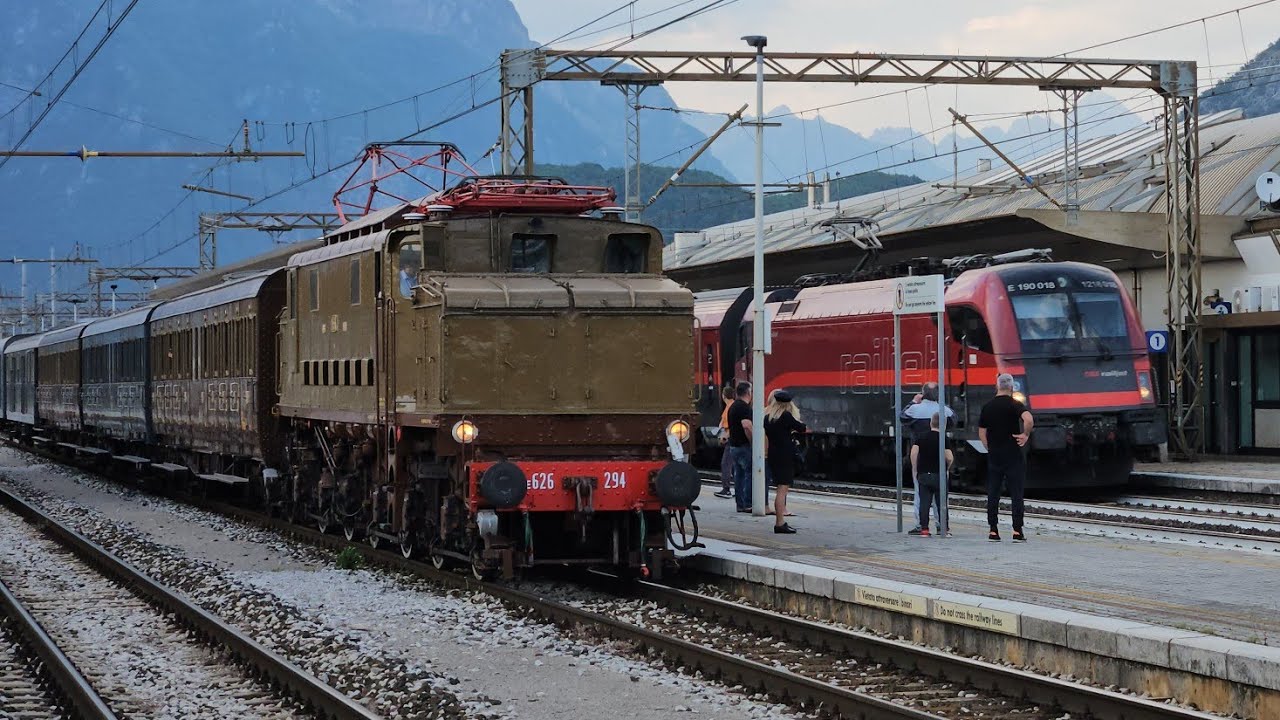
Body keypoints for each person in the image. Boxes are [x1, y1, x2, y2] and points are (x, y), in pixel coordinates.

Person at [979, 373, 1034, 542]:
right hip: (1013, 455)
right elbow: (1028, 419)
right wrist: (1025, 434)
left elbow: (982, 433)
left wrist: (990, 447)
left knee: (993, 493)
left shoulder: (987, 407)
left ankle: (993, 530)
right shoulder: (1015, 404)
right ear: (1011, 387)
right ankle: (1017, 531)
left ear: (997, 386)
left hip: (995, 455)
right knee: (1016, 493)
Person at [902, 382, 954, 535]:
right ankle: (941, 526)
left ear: (922, 394)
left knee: (921, 496)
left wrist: (914, 401)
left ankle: (921, 526)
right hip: (939, 461)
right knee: (941, 497)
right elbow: (953, 418)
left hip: (921, 460)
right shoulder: (943, 410)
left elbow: (902, 416)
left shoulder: (914, 410)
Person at [763, 389, 806, 534]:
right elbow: (802, 428)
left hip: (774, 455)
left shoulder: (767, 418)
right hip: (785, 455)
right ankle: (780, 523)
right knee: (782, 490)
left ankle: (779, 522)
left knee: (779, 489)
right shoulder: (786, 416)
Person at [909, 411, 953, 538]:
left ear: (930, 423)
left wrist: (915, 468)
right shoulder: (944, 438)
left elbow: (913, 453)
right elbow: (949, 457)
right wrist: (946, 468)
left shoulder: (921, 437)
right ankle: (943, 529)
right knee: (941, 504)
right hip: (939, 475)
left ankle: (924, 530)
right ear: (944, 425)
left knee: (924, 503)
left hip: (923, 475)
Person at [726, 381, 754, 513]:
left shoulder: (733, 407)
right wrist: (754, 442)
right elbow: (747, 426)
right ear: (749, 393)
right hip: (744, 446)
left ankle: (740, 504)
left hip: (734, 446)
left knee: (739, 475)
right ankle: (748, 503)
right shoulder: (744, 407)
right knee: (749, 473)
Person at [713, 386, 736, 499]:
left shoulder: (729, 409)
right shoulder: (732, 406)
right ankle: (739, 489)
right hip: (734, 439)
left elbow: (728, 427)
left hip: (730, 439)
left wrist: (724, 437)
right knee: (735, 465)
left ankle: (726, 489)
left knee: (726, 464)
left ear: (723, 395)